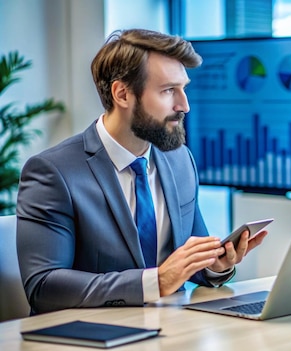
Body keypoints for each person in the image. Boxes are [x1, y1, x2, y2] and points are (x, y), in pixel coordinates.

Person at [16, 29, 268, 314]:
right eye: (168, 90)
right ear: (122, 94)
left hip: (172, 330)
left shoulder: (180, 160)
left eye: (184, 88)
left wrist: (215, 266)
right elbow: (44, 286)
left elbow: (186, 264)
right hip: (89, 338)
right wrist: (154, 281)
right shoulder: (53, 172)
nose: (184, 105)